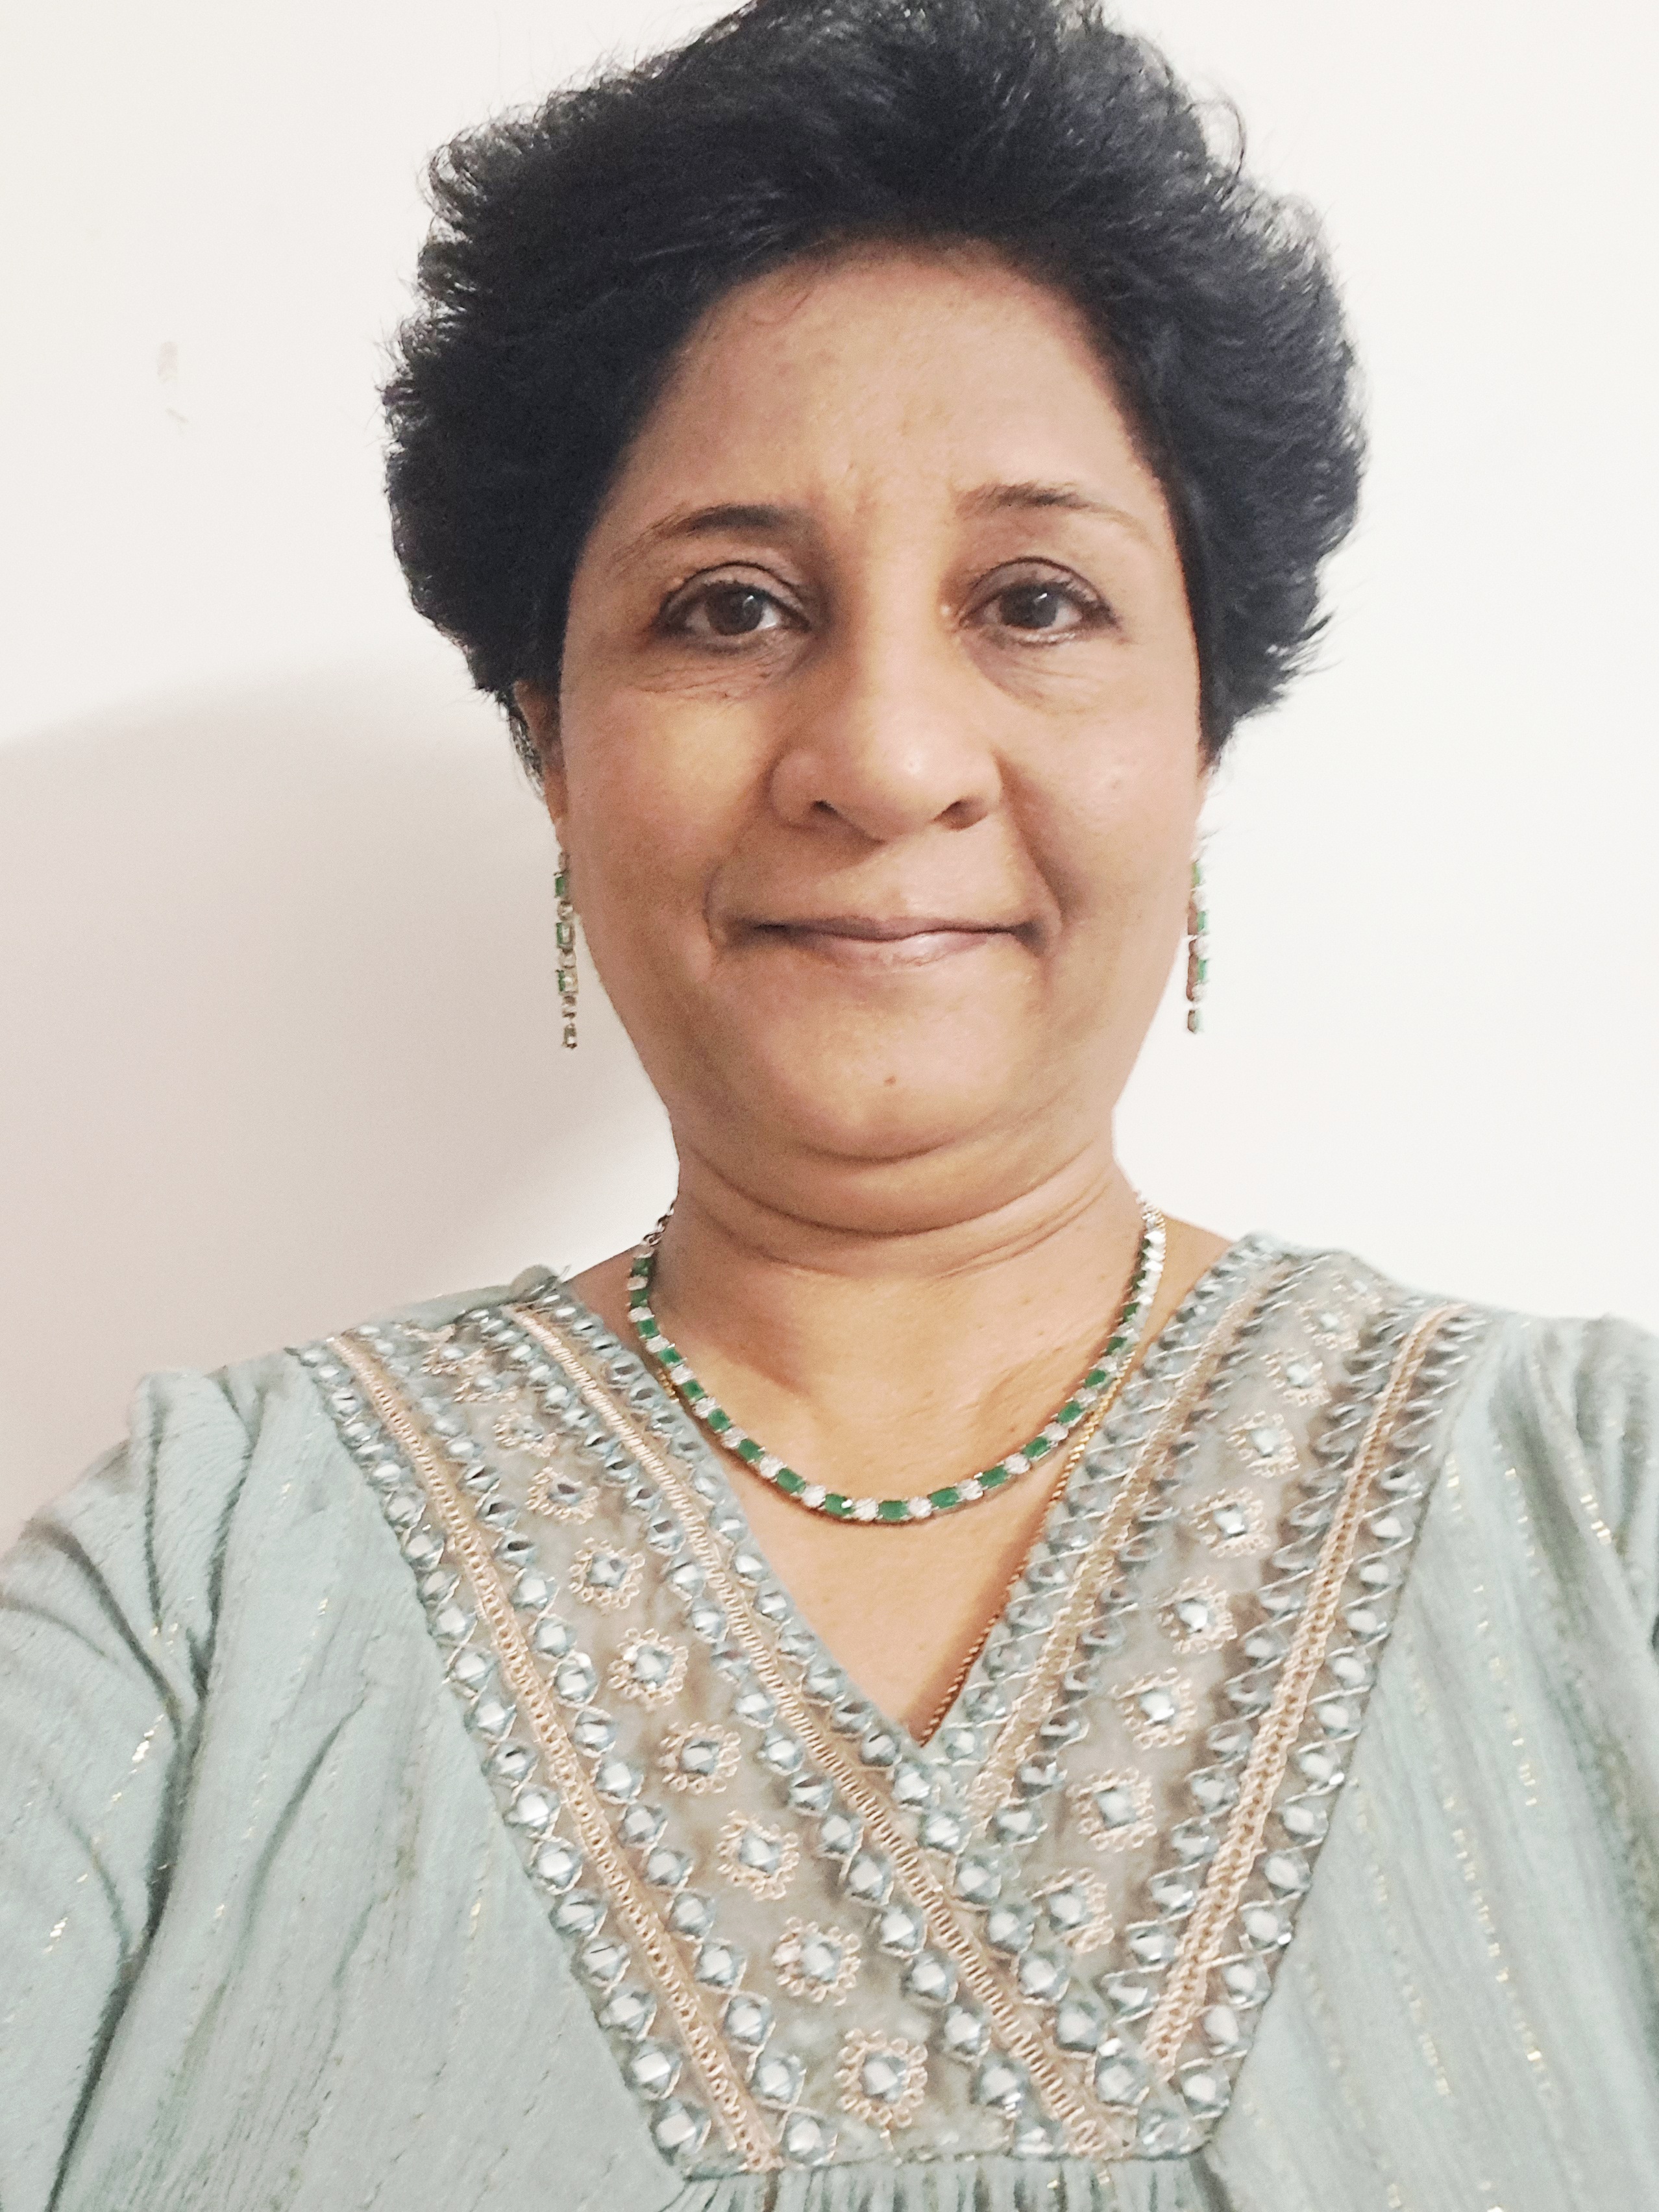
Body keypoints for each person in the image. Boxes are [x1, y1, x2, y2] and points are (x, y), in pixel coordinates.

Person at [3, 0, 1656, 2204]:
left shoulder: (1603, 1523)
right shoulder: (200, 1583)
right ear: (548, 741)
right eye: (728, 608)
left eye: (1036, 600)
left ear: (1200, 735)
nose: (881, 757)